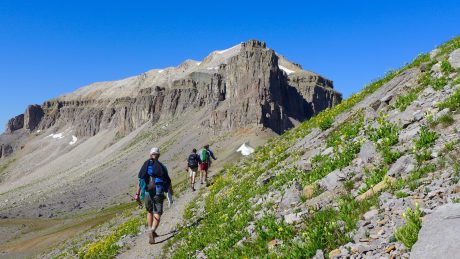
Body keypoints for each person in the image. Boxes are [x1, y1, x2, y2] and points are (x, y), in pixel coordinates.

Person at [135, 147, 173, 244]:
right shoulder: (162, 167)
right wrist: (170, 191)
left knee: (149, 211)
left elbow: (140, 181)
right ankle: (152, 230)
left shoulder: (145, 166)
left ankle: (149, 229)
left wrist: (137, 194)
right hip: (158, 191)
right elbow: (168, 181)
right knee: (157, 212)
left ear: (150, 155)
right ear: (158, 155)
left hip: (147, 191)